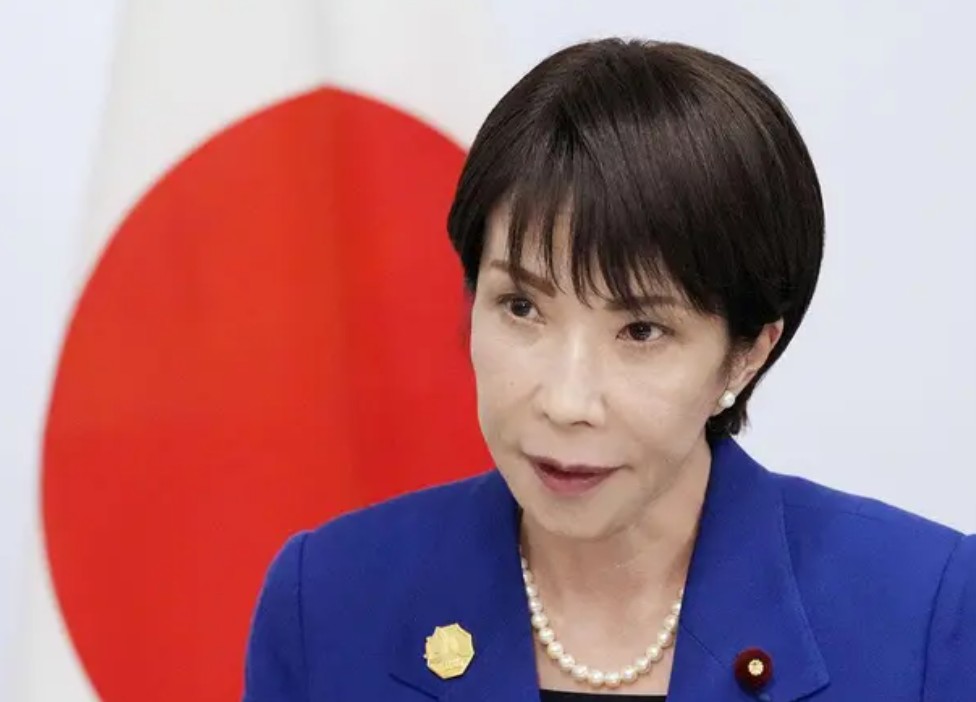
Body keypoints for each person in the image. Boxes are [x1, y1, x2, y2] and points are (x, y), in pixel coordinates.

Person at [242, 38, 976, 701]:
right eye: (522, 308)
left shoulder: (924, 613)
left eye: (641, 330)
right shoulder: (329, 599)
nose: (566, 401)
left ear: (748, 352)